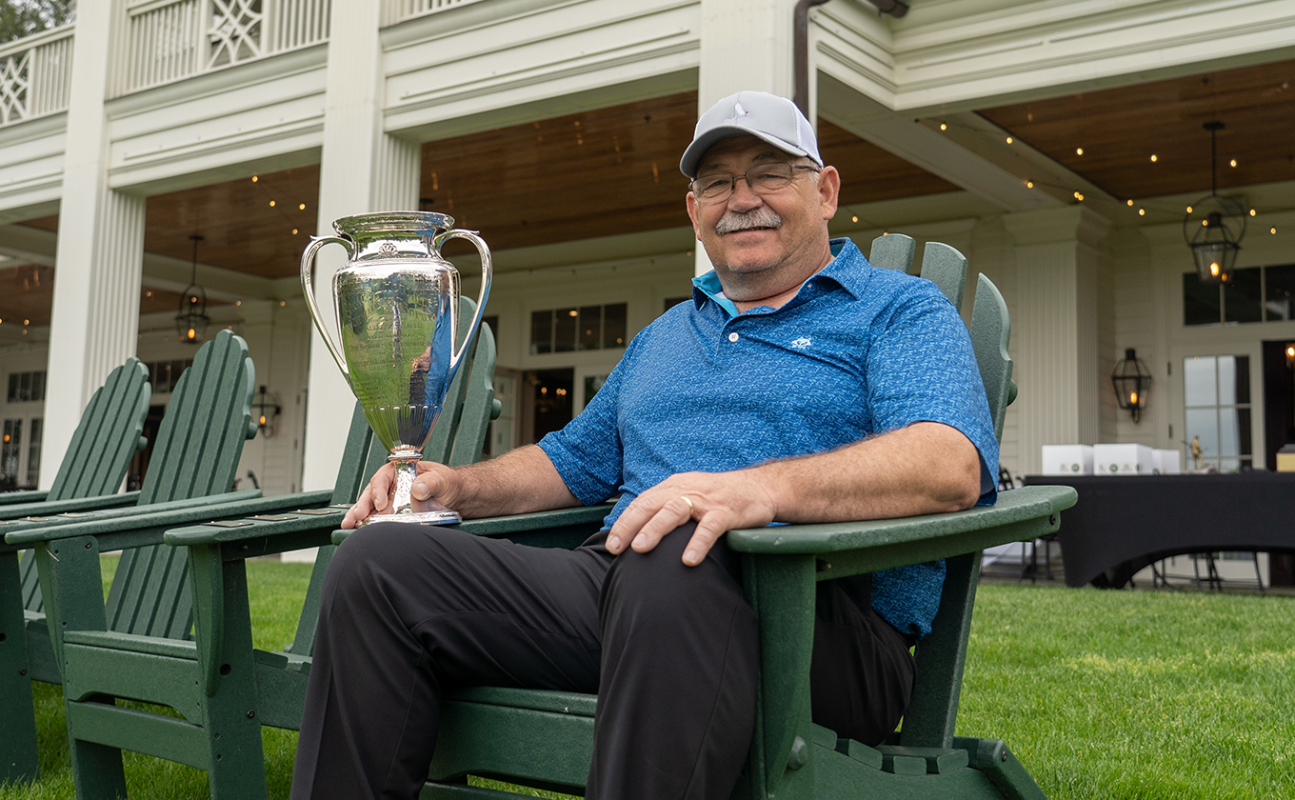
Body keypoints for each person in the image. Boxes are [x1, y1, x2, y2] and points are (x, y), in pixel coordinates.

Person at [290, 90, 998, 800]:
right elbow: (573, 460)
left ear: (826, 191)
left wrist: (755, 489)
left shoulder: (897, 310)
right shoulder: (664, 338)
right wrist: (457, 487)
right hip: (625, 588)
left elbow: (948, 464)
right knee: (380, 564)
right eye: (716, 182)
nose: (741, 198)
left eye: (769, 174)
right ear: (694, 211)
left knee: (675, 535)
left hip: (813, 616)